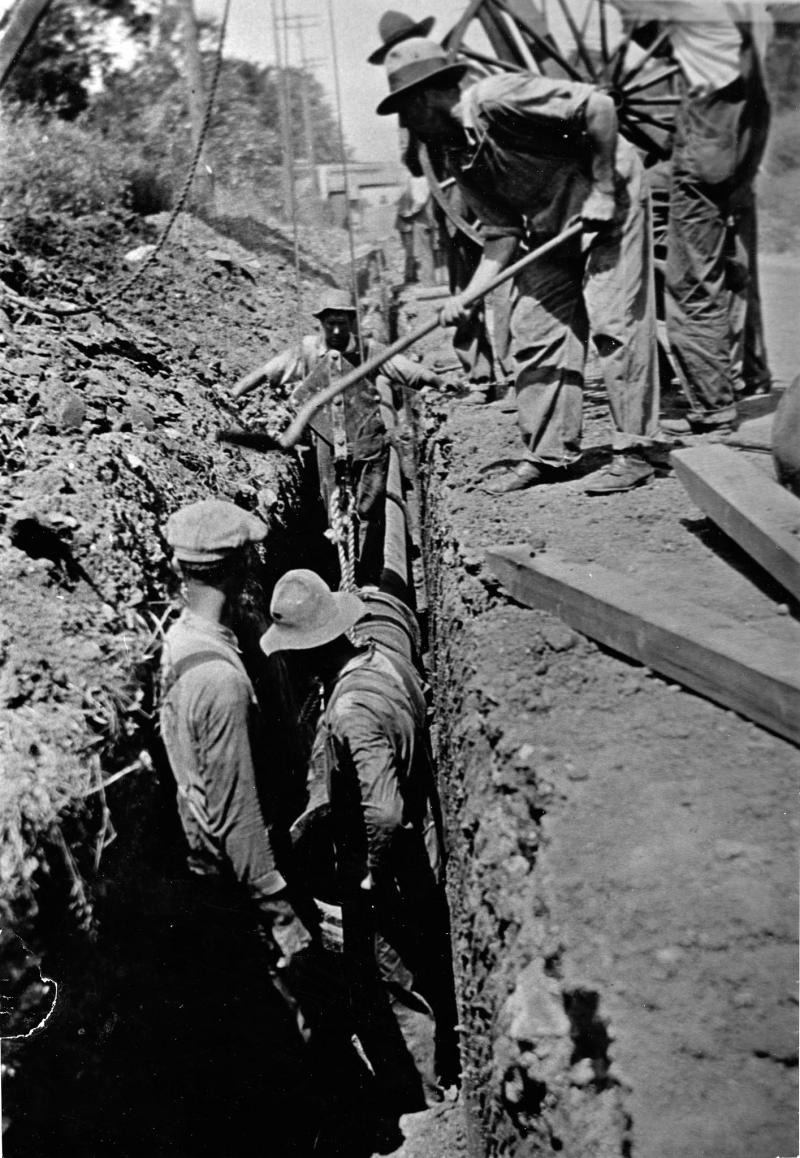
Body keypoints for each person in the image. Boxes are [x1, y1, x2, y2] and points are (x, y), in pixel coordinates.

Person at [376, 38, 661, 495]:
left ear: (427, 98)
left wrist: (604, 189)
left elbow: (602, 107)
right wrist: (467, 298)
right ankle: (550, 455)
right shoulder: (456, 157)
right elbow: (502, 235)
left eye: (406, 112)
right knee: (535, 329)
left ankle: (635, 451)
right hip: (552, 225)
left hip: (610, 201)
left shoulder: (501, 97)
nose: (406, 125)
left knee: (613, 323)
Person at [261, 569, 459, 1115]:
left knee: (395, 983)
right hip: (420, 852)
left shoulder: (351, 712)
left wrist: (367, 873)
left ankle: (426, 1106)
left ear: (309, 649)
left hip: (390, 867)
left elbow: (386, 811)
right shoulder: (383, 661)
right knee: (422, 963)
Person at [159, 499, 319, 968]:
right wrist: (281, 912)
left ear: (176, 566)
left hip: (207, 867)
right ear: (244, 567)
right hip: (234, 883)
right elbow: (236, 811)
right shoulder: (221, 681)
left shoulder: (178, 643)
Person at [613, 1, 773, 434]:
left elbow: (639, 24)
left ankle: (713, 408)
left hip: (706, 132)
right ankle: (742, 376)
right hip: (741, 127)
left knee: (690, 278)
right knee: (724, 263)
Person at [231, 289, 441, 584]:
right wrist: (231, 394)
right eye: (331, 323)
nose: (337, 330)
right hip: (328, 446)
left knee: (369, 510)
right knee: (334, 513)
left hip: (370, 444)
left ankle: (368, 577)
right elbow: (268, 372)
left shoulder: (369, 351)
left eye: (342, 322)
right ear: (321, 323)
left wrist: (442, 383)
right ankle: (340, 575)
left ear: (353, 321)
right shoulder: (306, 353)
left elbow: (410, 372)